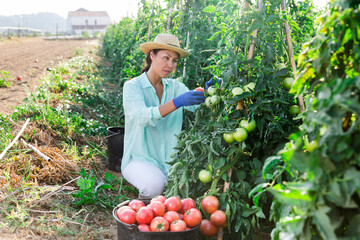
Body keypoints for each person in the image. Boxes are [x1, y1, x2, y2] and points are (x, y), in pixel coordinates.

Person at [121, 33, 206, 199]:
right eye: (166, 58)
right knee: (154, 187)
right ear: (152, 55)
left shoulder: (175, 86)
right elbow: (142, 117)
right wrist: (176, 103)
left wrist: (208, 93)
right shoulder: (133, 87)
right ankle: (142, 214)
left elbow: (195, 107)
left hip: (168, 162)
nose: (170, 65)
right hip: (140, 159)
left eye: (174, 60)